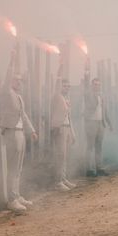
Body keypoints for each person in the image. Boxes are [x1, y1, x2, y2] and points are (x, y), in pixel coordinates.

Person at [0, 49, 38, 213]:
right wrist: (12, 61)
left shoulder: (19, 97)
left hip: (20, 132)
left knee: (19, 167)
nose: (20, 83)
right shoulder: (6, 92)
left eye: (20, 81)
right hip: (11, 132)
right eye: (17, 80)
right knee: (13, 167)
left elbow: (24, 115)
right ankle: (11, 199)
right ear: (11, 81)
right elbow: (6, 79)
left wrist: (32, 131)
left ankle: (17, 194)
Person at [83, 58, 112, 177]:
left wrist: (109, 123)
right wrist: (87, 73)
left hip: (100, 123)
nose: (97, 86)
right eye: (95, 84)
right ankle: (89, 169)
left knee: (99, 146)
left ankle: (99, 168)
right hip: (91, 123)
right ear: (92, 85)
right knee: (90, 147)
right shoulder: (88, 94)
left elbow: (105, 110)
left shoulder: (102, 95)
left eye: (98, 85)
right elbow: (86, 86)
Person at [50, 61, 76, 191]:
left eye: (68, 86)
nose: (66, 88)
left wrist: (72, 133)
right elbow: (56, 85)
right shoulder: (57, 96)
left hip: (66, 128)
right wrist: (59, 71)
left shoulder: (67, 99)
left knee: (65, 155)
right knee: (60, 155)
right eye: (64, 86)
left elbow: (69, 118)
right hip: (59, 129)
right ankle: (58, 181)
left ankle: (63, 178)